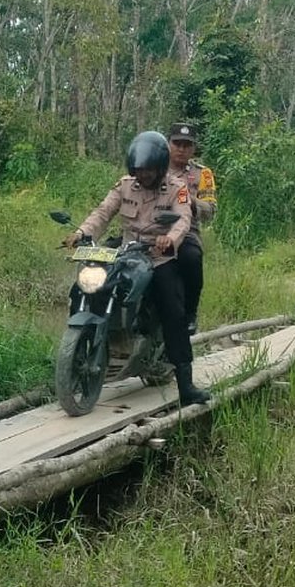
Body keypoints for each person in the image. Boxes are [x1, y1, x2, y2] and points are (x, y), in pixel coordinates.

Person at [63, 130, 210, 405]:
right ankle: (82, 351)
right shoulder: (125, 185)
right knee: (89, 285)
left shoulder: (177, 187)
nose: (143, 176)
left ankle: (186, 385)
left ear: (160, 166)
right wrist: (81, 232)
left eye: (149, 171)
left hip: (159, 256)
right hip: (127, 251)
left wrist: (171, 239)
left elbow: (182, 220)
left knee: (173, 314)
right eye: (139, 170)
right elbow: (103, 212)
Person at [167, 122, 217, 334]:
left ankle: (190, 313)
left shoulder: (202, 174)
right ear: (168, 143)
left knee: (191, 258)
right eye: (177, 143)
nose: (181, 148)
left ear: (194, 148)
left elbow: (210, 210)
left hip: (187, 231)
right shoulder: (154, 166)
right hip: (150, 228)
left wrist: (191, 201)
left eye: (187, 144)